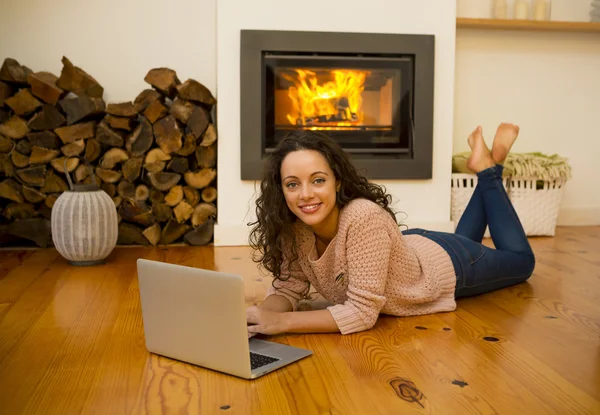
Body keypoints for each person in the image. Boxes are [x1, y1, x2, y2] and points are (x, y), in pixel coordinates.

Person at [246, 124, 535, 337]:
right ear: (281, 190)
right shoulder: (293, 226)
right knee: (467, 239)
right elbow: (288, 287)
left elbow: (361, 313)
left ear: (337, 180)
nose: (305, 194)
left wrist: (281, 324)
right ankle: (489, 166)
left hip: (449, 265)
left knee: (522, 261)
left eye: (318, 180)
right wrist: (258, 318)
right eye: (292, 184)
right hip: (413, 247)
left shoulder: (362, 217)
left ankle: (487, 170)